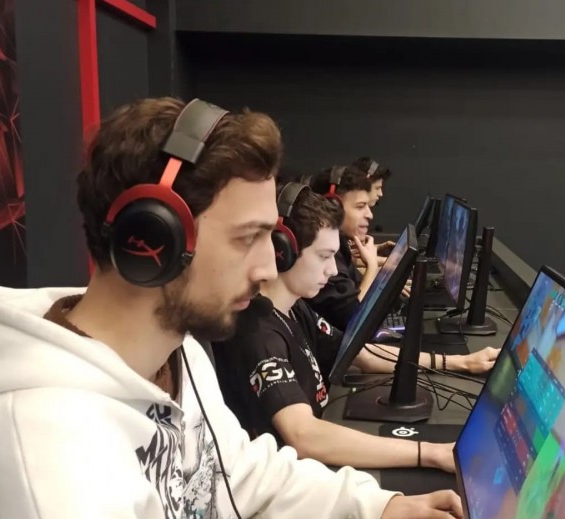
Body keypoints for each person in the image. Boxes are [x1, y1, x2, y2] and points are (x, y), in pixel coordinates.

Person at [0, 97, 465, 519]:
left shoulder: (179, 353)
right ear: (151, 239)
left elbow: (237, 471)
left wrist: (371, 503)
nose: (268, 267)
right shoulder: (53, 470)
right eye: (247, 238)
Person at [213, 183, 498, 473]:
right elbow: (303, 435)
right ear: (281, 253)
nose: (332, 270)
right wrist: (429, 453)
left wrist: (459, 362)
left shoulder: (295, 308)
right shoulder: (258, 333)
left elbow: (360, 354)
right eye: (324, 256)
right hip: (291, 480)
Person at [307, 165, 379, 330]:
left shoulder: (340, 244)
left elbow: (356, 287)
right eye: (360, 206)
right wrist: (372, 267)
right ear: (333, 207)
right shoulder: (323, 255)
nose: (370, 215)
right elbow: (352, 317)